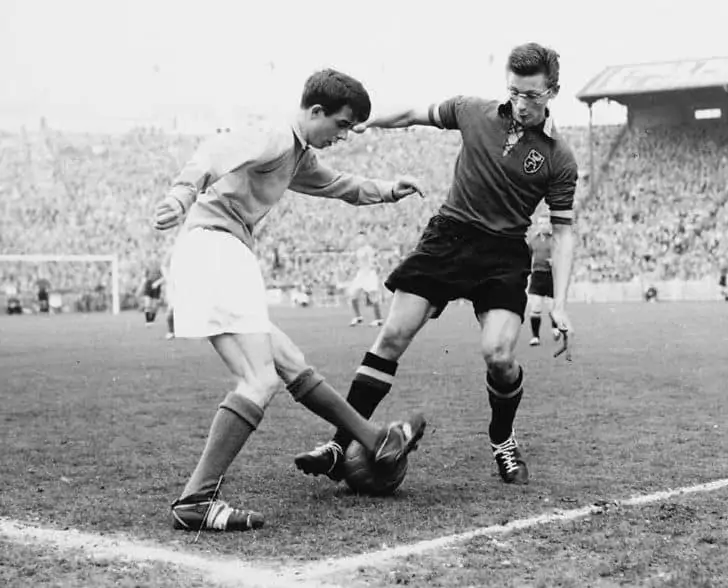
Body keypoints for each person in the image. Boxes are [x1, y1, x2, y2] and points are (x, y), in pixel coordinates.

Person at [153, 69, 427, 532]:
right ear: (316, 111)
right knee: (258, 379)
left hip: (218, 252)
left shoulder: (298, 153)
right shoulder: (275, 134)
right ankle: (195, 500)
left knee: (289, 362)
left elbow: (337, 183)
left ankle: (374, 438)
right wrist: (183, 191)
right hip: (215, 249)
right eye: (341, 125)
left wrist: (386, 191)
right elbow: (217, 151)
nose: (344, 135)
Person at [295, 43, 577, 485]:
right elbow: (412, 114)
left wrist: (560, 302)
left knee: (499, 356)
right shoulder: (472, 110)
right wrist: (367, 121)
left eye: (533, 96)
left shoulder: (559, 158)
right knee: (391, 336)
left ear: (553, 93)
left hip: (502, 253)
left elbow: (563, 233)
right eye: (515, 92)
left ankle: (502, 438)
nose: (521, 104)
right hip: (449, 237)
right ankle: (337, 444)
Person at [527, 215, 561, 347]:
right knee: (535, 307)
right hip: (537, 275)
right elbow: (527, 256)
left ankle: (555, 328)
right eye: (540, 223)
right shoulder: (533, 241)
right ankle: (535, 337)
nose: (543, 225)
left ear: (549, 224)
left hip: (551, 276)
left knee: (552, 307)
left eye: (545, 223)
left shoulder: (555, 240)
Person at [347, 231, 384, 326]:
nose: (360, 240)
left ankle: (378, 319)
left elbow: (373, 260)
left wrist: (374, 266)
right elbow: (355, 262)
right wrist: (352, 265)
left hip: (369, 274)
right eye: (358, 238)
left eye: (362, 238)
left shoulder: (368, 249)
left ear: (365, 239)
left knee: (373, 297)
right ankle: (358, 317)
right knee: (353, 295)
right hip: (361, 274)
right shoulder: (358, 250)